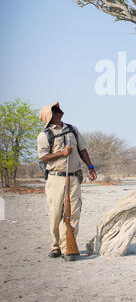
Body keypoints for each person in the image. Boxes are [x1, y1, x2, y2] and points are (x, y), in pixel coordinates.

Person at [37, 101, 97, 261]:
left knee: (74, 213)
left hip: (74, 177)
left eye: (58, 109)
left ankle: (68, 248)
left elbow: (82, 149)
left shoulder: (72, 130)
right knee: (55, 214)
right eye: (54, 110)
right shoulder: (45, 135)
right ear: (49, 117)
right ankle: (56, 246)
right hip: (55, 178)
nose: (59, 111)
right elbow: (43, 157)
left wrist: (90, 166)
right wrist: (61, 153)